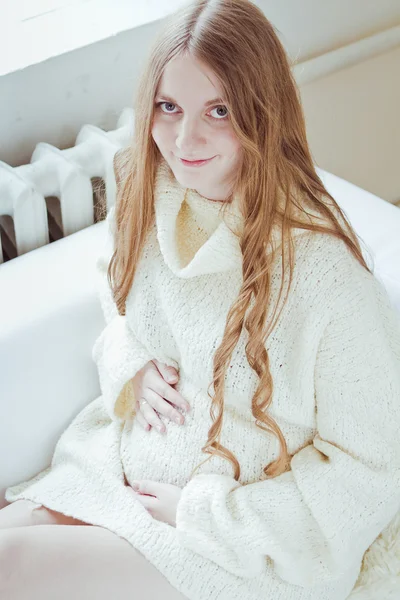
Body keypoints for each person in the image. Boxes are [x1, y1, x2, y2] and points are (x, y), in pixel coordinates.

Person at [2, 1, 400, 599]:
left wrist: (205, 512)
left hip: (243, 548)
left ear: (263, 115)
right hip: (132, 472)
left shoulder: (327, 278)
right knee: (13, 535)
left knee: (13, 565)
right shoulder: (151, 191)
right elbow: (117, 285)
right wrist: (127, 358)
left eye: (219, 111)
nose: (184, 140)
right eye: (169, 107)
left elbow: (368, 477)